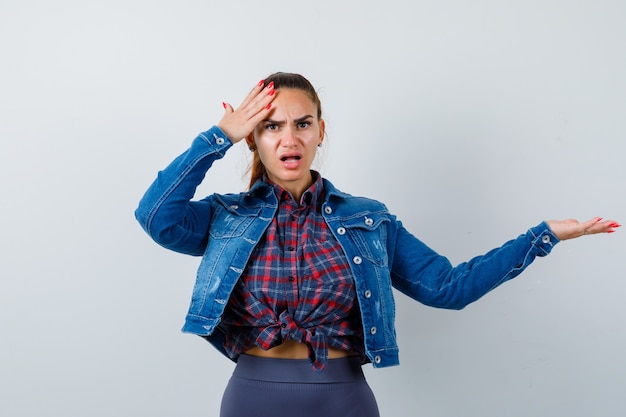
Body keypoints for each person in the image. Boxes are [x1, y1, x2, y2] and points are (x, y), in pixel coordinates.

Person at [135, 72, 619, 417]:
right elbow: (156, 219)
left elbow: (448, 288)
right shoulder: (225, 216)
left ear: (320, 132)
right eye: (271, 125)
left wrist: (541, 237)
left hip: (342, 400)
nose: (290, 137)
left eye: (302, 123)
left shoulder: (366, 219)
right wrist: (217, 137)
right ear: (253, 138)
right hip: (252, 397)